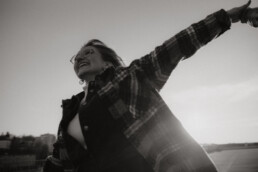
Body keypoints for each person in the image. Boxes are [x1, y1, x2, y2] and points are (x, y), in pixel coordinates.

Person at [43, 1, 258, 172]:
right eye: (77, 57)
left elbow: (177, 45)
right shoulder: (70, 110)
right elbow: (58, 162)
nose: (80, 57)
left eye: (89, 52)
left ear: (108, 62)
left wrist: (230, 17)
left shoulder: (130, 77)